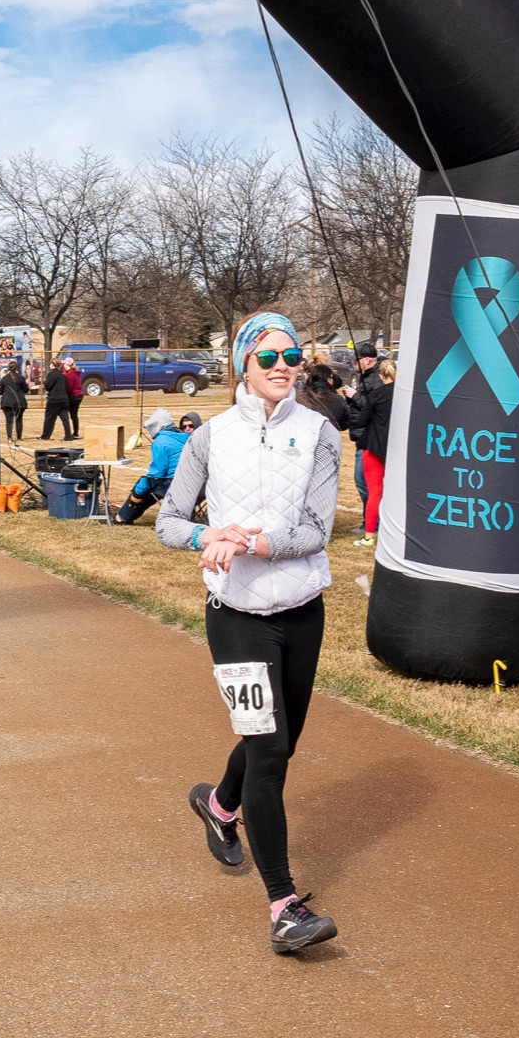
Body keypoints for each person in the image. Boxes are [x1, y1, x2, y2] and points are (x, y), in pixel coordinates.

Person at [156, 310, 340, 955]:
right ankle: (284, 907)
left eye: (292, 356)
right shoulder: (209, 437)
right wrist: (208, 535)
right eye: (268, 357)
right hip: (234, 617)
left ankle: (218, 804)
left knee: (282, 745)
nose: (283, 366)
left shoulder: (320, 432)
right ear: (243, 364)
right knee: (268, 752)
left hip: (302, 612)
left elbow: (316, 530)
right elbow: (169, 521)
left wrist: (251, 542)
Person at [113, 408, 200, 524]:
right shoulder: (185, 437)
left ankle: (122, 517)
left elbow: (157, 473)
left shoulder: (161, 441)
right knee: (149, 486)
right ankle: (126, 516)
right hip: (193, 483)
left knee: (144, 487)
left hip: (174, 484)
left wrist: (137, 492)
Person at [345, 341, 392, 548]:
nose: (353, 364)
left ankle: (374, 524)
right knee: (366, 485)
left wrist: (355, 396)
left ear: (366, 361)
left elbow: (373, 409)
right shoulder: (366, 377)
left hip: (372, 442)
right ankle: (370, 522)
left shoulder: (377, 381)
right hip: (364, 439)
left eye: (355, 361)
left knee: (368, 486)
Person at [300, 360, 349, 431]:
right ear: (329, 379)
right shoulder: (338, 399)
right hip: (330, 435)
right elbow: (345, 424)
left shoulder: (301, 398)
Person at [40, 357, 75, 442]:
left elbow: (47, 386)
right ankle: (68, 436)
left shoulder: (51, 374)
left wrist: (46, 383)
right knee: (65, 419)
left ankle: (45, 436)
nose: (50, 365)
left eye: (50, 364)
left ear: (52, 365)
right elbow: (67, 387)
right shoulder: (63, 375)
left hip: (54, 400)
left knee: (49, 419)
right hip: (63, 399)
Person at [0, 359, 28, 443]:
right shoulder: (21, 378)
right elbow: (25, 390)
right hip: (19, 402)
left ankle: (9, 437)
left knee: (9, 420)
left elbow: (1, 391)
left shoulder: (4, 379)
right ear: (17, 368)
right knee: (19, 420)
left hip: (7, 402)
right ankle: (19, 437)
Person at [62, 354, 84, 437]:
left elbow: (69, 387)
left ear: (68, 365)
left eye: (65, 364)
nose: (63, 365)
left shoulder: (70, 373)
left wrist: (65, 395)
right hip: (79, 395)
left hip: (74, 396)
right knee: (74, 415)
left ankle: (74, 433)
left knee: (70, 414)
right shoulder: (75, 372)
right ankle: (75, 433)